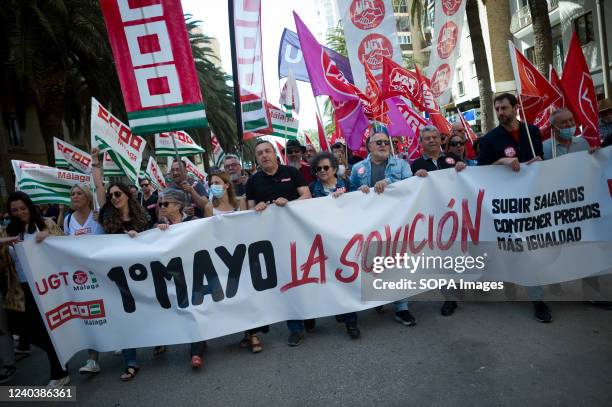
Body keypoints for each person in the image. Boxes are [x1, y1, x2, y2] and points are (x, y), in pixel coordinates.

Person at [477, 92, 551, 323]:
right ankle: (527, 293)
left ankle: (537, 299)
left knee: (532, 249)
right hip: (507, 205)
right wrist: (500, 162)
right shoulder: (490, 139)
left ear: (515, 108)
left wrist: (539, 163)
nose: (500, 113)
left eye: (504, 108)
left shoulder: (533, 132)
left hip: (533, 201)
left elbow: (539, 159)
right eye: (497, 109)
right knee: (515, 248)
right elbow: (480, 171)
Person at [349, 125, 422, 327]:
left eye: (386, 142)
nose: (383, 145)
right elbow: (351, 191)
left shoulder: (401, 165)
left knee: (397, 264)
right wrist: (360, 189)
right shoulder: (357, 169)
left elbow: (411, 186)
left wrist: (390, 182)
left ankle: (402, 308)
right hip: (370, 224)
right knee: (373, 263)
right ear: (369, 147)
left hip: (396, 222)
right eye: (378, 142)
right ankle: (379, 296)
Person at [91, 149, 152, 380]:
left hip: (141, 272)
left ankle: (159, 340)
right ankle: (130, 361)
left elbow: (153, 242)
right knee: (123, 316)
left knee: (151, 307)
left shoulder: (142, 217)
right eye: (112, 195)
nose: (114, 197)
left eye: (118, 194)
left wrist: (153, 232)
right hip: (117, 276)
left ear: (127, 195)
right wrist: (95, 163)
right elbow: (98, 188)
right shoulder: (108, 214)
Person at [246, 139, 312, 347]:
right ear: (257, 159)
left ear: (275, 154)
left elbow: (307, 196)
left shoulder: (291, 173)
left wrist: (289, 204)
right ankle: (295, 328)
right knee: (287, 281)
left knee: (306, 276)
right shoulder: (253, 181)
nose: (264, 155)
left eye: (267, 151)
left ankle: (311, 312)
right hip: (272, 240)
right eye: (260, 153)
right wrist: (258, 208)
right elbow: (248, 211)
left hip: (298, 235)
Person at [0, 192, 69, 387]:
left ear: (30, 206)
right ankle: (59, 354)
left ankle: (59, 372)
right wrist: (3, 244)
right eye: (15, 210)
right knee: (21, 329)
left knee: (47, 330)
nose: (20, 212)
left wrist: (49, 235)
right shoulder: (7, 231)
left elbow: (65, 244)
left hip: (47, 285)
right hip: (21, 289)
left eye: (23, 208)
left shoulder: (45, 223)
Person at [410, 125, 466, 317]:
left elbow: (467, 181)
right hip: (432, 220)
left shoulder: (453, 159)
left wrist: (462, 168)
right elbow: (410, 192)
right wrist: (414, 179)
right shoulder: (415, 165)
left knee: (458, 255)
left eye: (435, 137)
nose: (432, 140)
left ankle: (458, 285)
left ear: (440, 140)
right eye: (427, 138)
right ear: (421, 143)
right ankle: (448, 297)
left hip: (457, 216)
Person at [154, 189, 210, 367]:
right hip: (174, 277)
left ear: (178, 206)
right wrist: (158, 232)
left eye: (165, 204)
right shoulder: (159, 227)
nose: (161, 207)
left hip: (195, 273)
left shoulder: (192, 222)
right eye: (160, 204)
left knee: (195, 310)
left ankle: (196, 352)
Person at [309, 152, 359, 339]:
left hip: (346, 238)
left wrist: (352, 195)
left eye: (326, 168)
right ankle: (342, 312)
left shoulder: (345, 184)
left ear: (334, 169)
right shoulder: (312, 188)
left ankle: (351, 321)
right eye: (318, 168)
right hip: (323, 240)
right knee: (333, 280)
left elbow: (360, 201)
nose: (322, 171)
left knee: (346, 277)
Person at [60, 184, 107, 375]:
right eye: (72, 194)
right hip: (82, 278)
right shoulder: (68, 219)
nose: (74, 196)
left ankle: (121, 341)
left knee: (110, 310)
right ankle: (93, 359)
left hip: (103, 273)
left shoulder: (98, 216)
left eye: (79, 193)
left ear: (88, 197)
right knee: (91, 315)